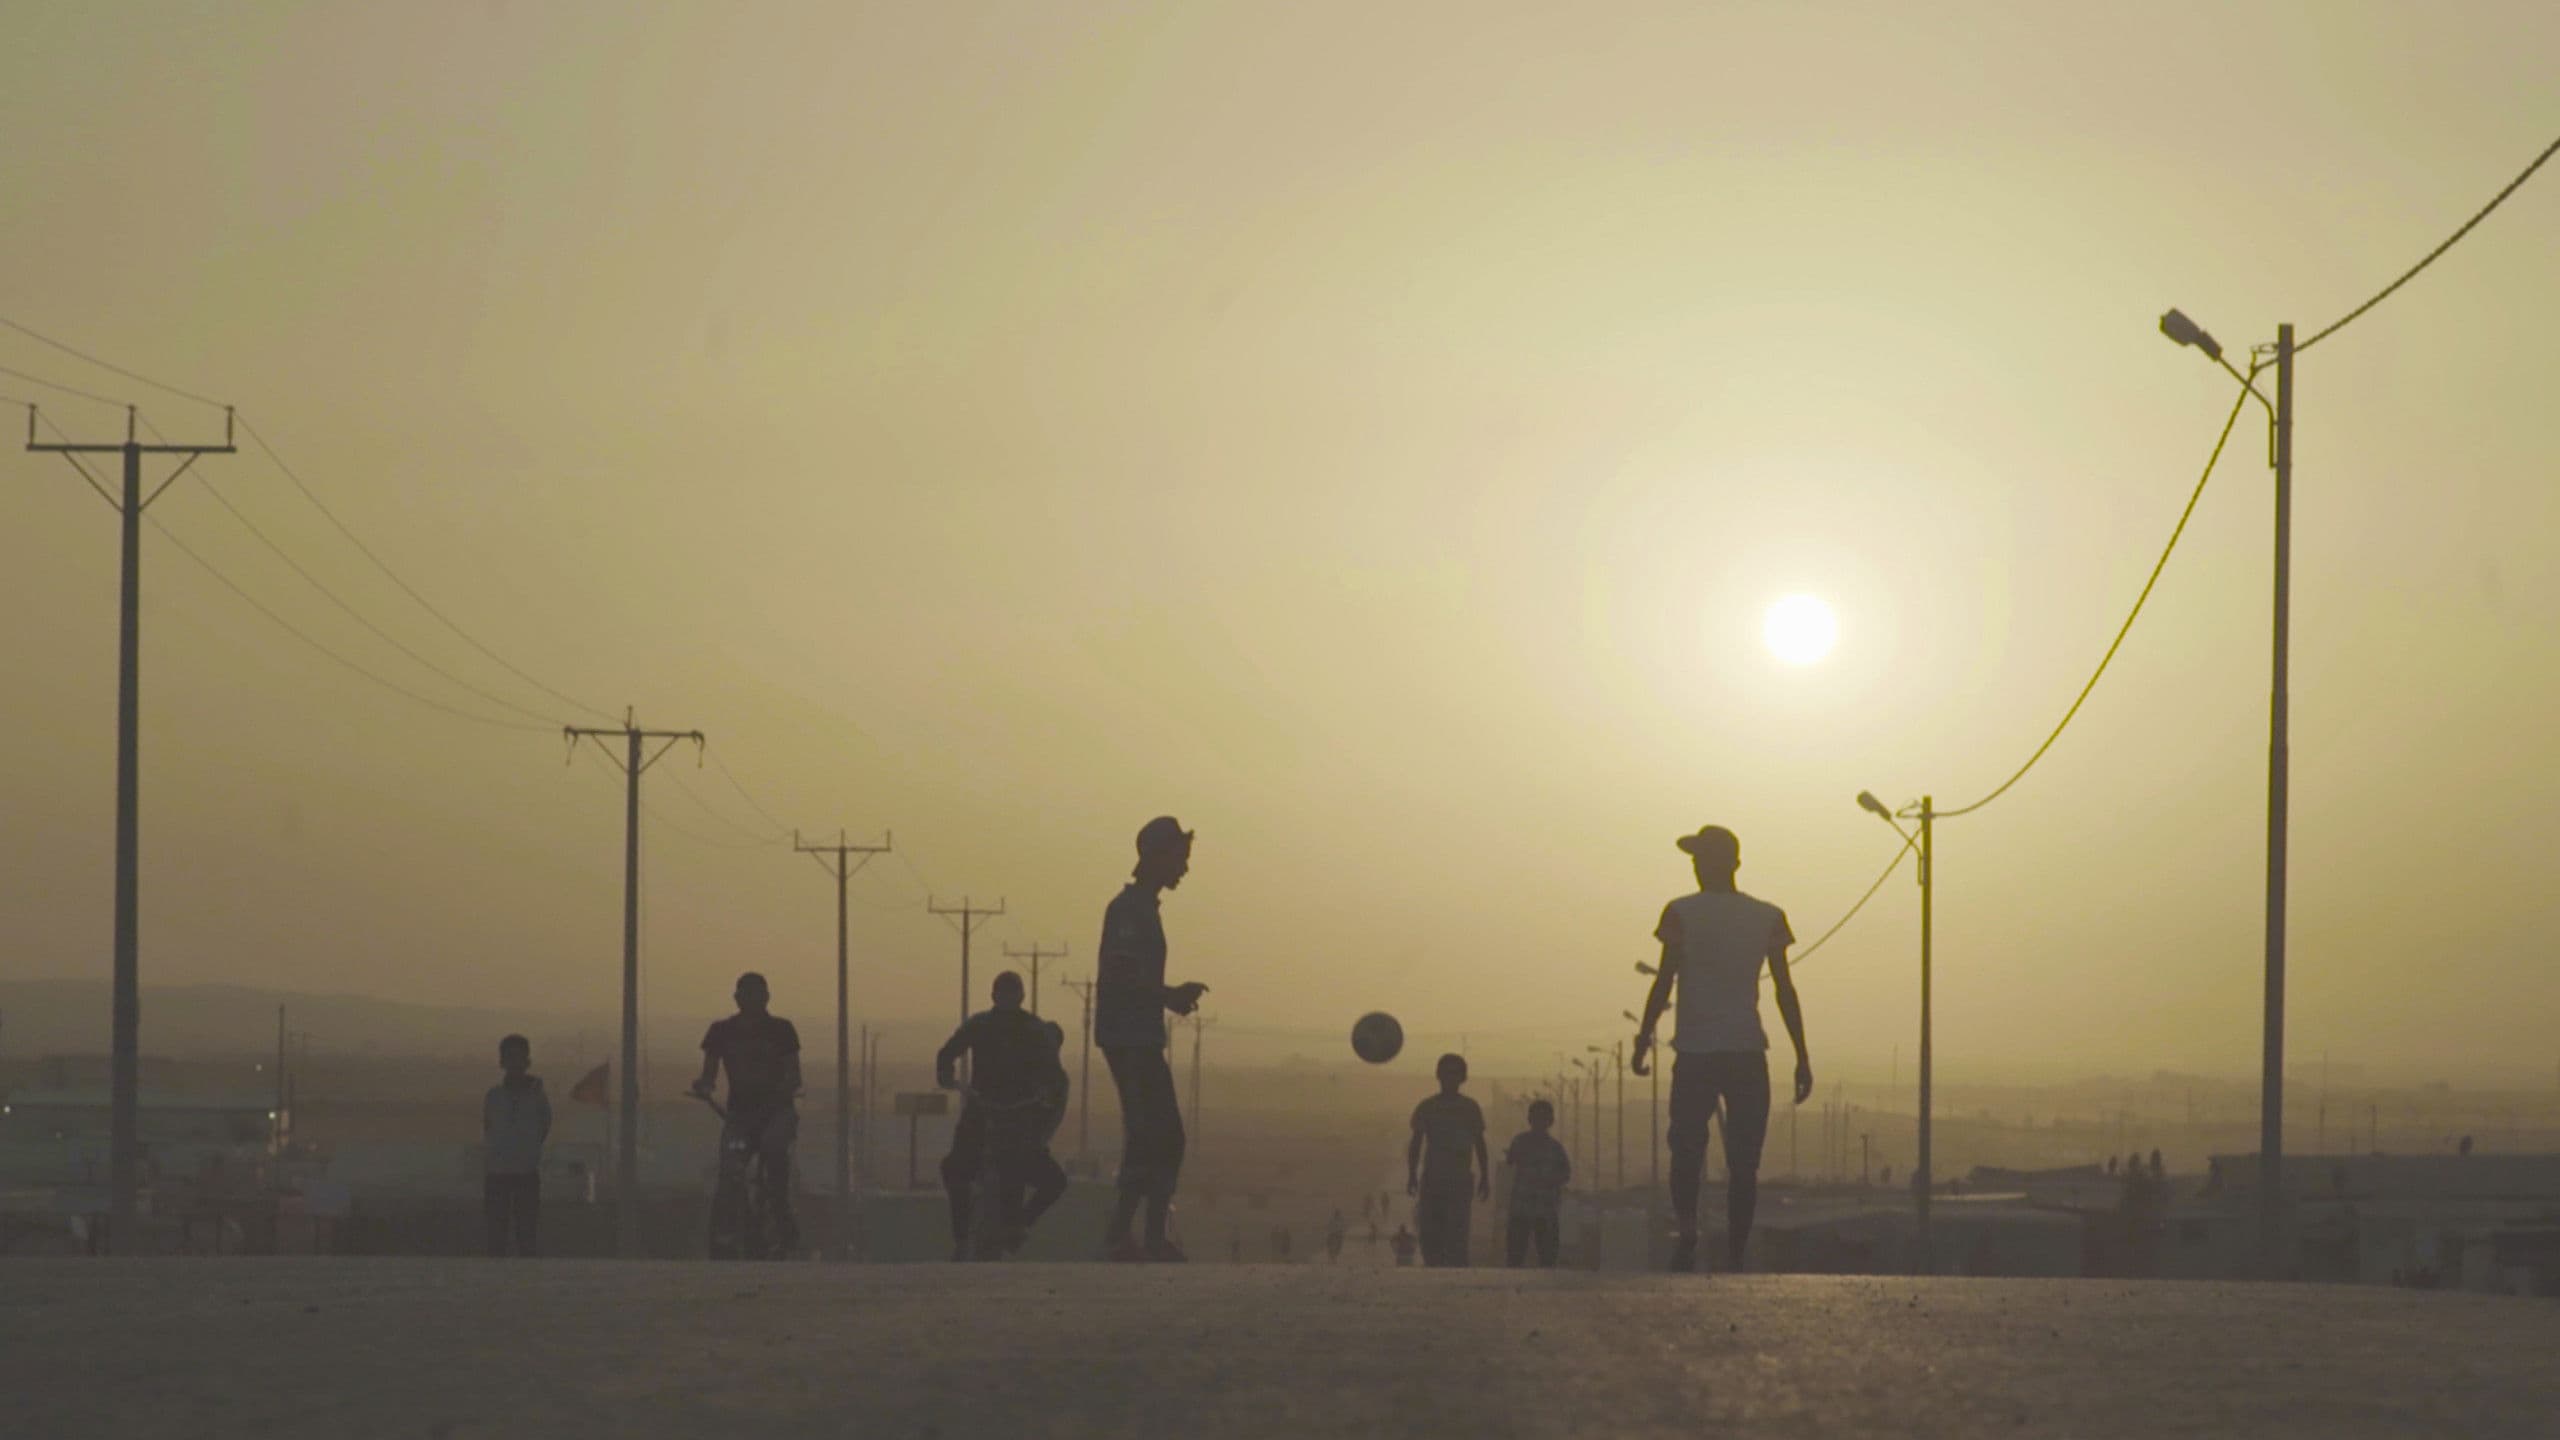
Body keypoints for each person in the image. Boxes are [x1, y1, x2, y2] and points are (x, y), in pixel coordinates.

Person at [1631, 824, 1812, 1274]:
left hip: (1696, 1052)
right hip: (1746, 1052)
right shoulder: (1767, 916)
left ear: (1727, 861)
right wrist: (1802, 1055)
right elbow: (1784, 990)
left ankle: (1692, 1234)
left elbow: (1665, 979)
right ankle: (1732, 1251)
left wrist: (1643, 1037)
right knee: (1742, 1161)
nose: (1695, 865)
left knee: (1687, 1149)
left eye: (1701, 857)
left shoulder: (1679, 913)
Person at [1095, 815, 1209, 1261]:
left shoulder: (1143, 909)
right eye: (1180, 858)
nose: (1183, 869)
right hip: (1127, 1037)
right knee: (1155, 1134)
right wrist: (1169, 995)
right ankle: (1132, 1236)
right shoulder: (1129, 911)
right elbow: (1120, 973)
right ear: (1156, 856)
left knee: (1156, 1136)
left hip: (1138, 1035)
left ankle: (1136, 1234)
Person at [935, 972, 1068, 1259]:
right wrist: (946, 1073)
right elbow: (948, 1051)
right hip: (982, 1109)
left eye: (1012, 993)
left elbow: (1053, 1073)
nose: (1007, 999)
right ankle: (961, 1238)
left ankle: (1017, 1226)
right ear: (994, 995)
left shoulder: (1034, 1030)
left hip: (1019, 1114)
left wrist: (1045, 1094)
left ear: (1020, 996)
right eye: (1002, 993)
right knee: (956, 1170)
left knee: (1030, 1176)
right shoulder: (980, 1025)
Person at [690, 972, 803, 1255]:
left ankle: (783, 1227)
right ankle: (724, 1235)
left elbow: (794, 1075)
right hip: (739, 1117)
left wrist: (780, 1095)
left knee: (774, 1156)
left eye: (757, 995)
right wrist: (703, 1087)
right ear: (737, 998)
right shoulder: (721, 1031)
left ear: (766, 998)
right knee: (730, 1170)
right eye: (746, 995)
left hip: (776, 1114)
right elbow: (709, 1074)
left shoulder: (782, 1030)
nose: (752, 1001)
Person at [1406, 1053, 1491, 1268]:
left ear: (1463, 1078)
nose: (1450, 1078)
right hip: (1433, 1178)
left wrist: (1485, 1177)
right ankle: (1434, 1273)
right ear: (1438, 1075)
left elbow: (1479, 1144)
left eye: (1455, 1073)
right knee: (1430, 1232)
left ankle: (1456, 1276)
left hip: (1460, 1179)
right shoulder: (1427, 1107)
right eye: (1446, 1073)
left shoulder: (1470, 1108)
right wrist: (1411, 1175)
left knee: (1457, 1233)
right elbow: (1416, 1143)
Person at [482, 1034, 551, 1257]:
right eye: (509, 1058)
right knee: (495, 1233)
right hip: (497, 1173)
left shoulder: (537, 1098)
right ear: (502, 1062)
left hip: (526, 1173)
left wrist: (528, 1152)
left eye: (518, 1058)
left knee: (527, 1233)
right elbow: (489, 1127)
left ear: (527, 1061)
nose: (514, 1063)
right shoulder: (494, 1097)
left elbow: (544, 1127)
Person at [1502, 1098, 1571, 1268]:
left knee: (1540, 1256)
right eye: (1538, 1118)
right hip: (1532, 1207)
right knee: (1521, 1256)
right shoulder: (1553, 1147)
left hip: (1537, 1208)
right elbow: (1565, 1174)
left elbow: (1565, 1174)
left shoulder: (1523, 1142)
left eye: (1543, 1118)